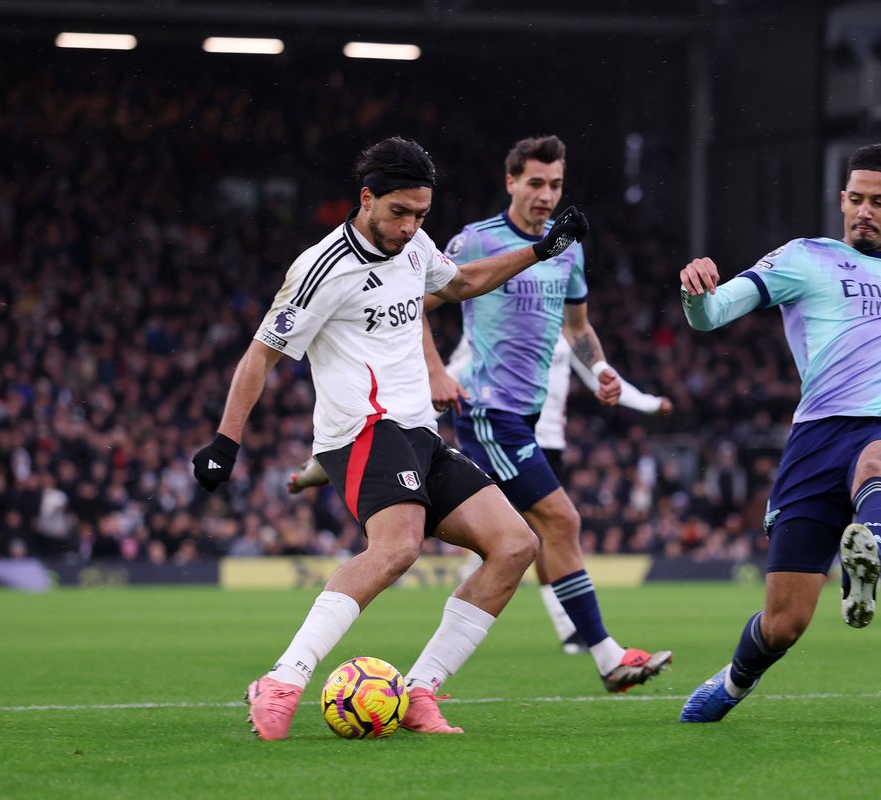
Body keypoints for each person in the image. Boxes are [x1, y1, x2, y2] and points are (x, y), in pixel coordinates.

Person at [190, 136, 588, 739]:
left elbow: (461, 284)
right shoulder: (320, 269)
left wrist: (540, 251)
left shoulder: (417, 245)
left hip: (417, 432)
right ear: (366, 198)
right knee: (398, 547)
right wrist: (226, 442)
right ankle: (282, 679)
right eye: (399, 213)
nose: (409, 227)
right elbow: (260, 355)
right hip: (360, 429)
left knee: (515, 545)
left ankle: (421, 690)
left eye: (420, 215)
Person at [676, 143, 881, 723]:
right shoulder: (805, 258)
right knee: (784, 623)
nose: (864, 211)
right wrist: (694, 293)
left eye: (879, 201)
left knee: (878, 467)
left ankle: (865, 563)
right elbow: (713, 314)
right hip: (818, 440)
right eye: (855, 199)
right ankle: (732, 682)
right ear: (841, 200)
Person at [427, 134, 671, 691]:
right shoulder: (474, 243)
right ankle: (607, 655)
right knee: (559, 522)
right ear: (509, 181)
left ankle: (430, 674)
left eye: (555, 185)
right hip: (487, 413)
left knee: (520, 542)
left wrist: (602, 369)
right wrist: (438, 371)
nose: (545, 195)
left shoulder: (569, 247)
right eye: (534, 183)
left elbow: (578, 329)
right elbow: (413, 305)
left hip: (526, 418)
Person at [286, 333, 673, 655]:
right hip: (500, 438)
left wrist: (649, 403)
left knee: (526, 540)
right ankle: (585, 638)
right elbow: (448, 378)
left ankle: (571, 634)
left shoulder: (557, 330)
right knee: (544, 528)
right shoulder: (491, 331)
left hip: (547, 442)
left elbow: (598, 375)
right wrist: (401, 429)